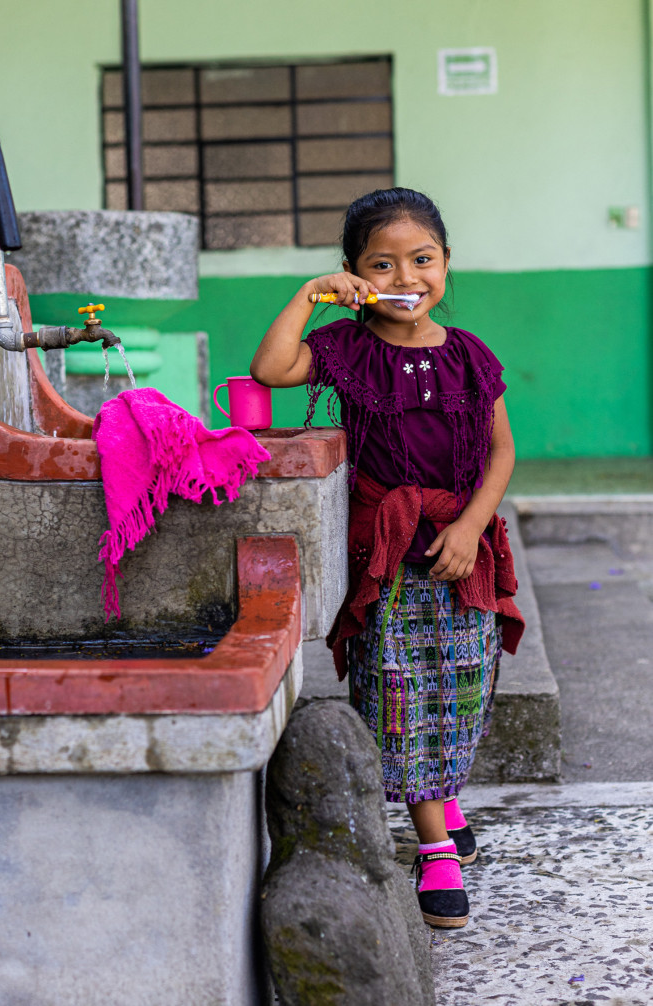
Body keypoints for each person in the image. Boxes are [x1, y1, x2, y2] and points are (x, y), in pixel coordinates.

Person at [251, 187, 524, 929]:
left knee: (460, 685)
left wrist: (470, 527)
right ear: (354, 274)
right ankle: (434, 845)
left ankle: (443, 797)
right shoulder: (348, 349)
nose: (408, 276)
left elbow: (500, 450)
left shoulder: (471, 355)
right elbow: (272, 367)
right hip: (387, 554)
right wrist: (312, 295)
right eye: (383, 263)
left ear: (446, 265)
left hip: (461, 551)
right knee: (399, 693)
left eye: (423, 259)